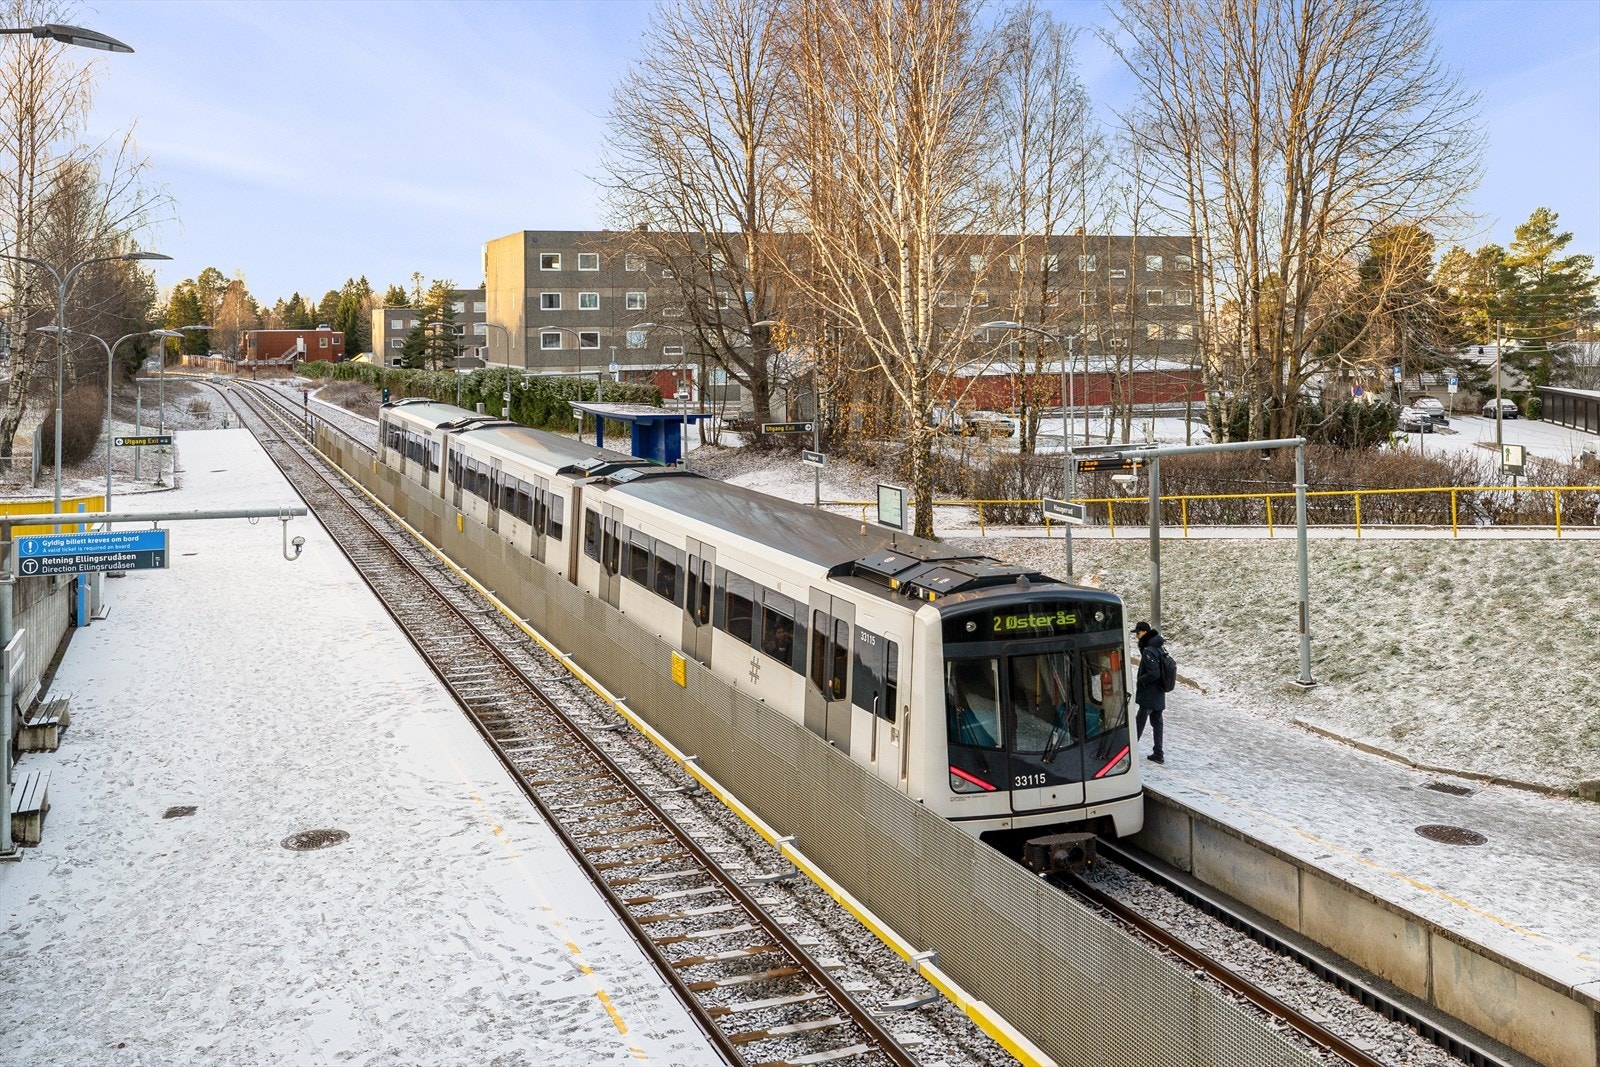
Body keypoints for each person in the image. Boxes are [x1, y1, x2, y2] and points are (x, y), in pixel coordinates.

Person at [1133, 620, 1167, 764]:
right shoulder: (1159, 647)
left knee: (1139, 722)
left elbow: (1154, 673)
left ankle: (1131, 750)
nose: (1137, 636)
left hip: (1149, 693)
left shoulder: (1149, 650)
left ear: (1144, 633)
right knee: (1157, 722)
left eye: (1138, 633)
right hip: (1159, 691)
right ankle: (1158, 753)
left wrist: (1141, 679)